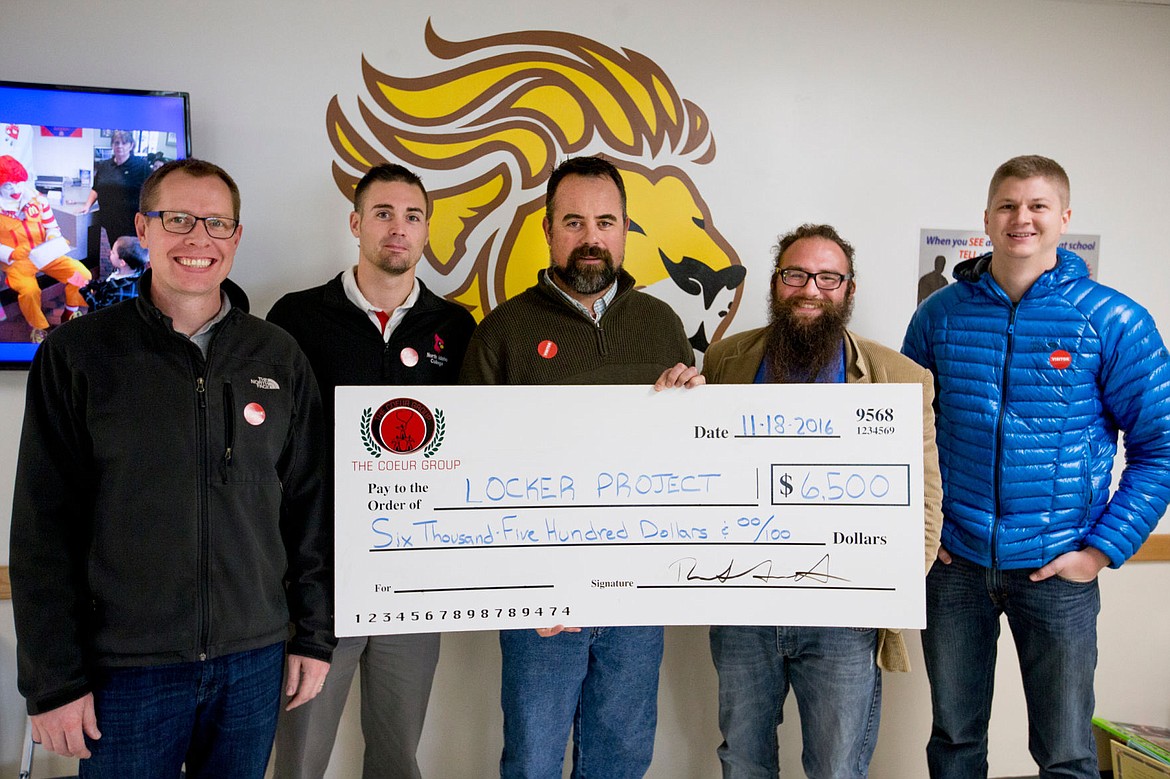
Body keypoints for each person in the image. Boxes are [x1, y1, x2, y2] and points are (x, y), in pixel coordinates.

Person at [9, 158, 334, 778]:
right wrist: (51, 681)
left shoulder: (277, 355)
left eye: (216, 224)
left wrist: (314, 637)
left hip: (254, 660)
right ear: (143, 228)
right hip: (127, 671)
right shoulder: (78, 355)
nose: (198, 239)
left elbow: (310, 506)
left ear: (236, 238)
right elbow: (41, 528)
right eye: (178, 219)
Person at [902, 155, 1170, 778]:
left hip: (1058, 571)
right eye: (1007, 205)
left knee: (1067, 751)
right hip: (956, 567)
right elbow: (903, 431)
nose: (1021, 218)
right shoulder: (939, 316)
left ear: (1064, 219)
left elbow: (1159, 449)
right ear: (988, 220)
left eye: (1038, 206)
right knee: (954, 740)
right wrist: (925, 528)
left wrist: (1099, 551)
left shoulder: (1114, 320)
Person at [657, 223, 943, 778]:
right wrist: (669, 412)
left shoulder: (899, 378)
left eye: (828, 277)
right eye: (796, 274)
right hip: (743, 609)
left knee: (836, 768)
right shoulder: (725, 362)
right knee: (743, 760)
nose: (810, 288)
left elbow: (926, 500)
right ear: (776, 282)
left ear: (849, 290)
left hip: (844, 618)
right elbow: (693, 470)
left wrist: (891, 589)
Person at [460, 155, 693, 778]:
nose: (591, 237)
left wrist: (693, 408)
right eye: (574, 221)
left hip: (636, 594)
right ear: (548, 230)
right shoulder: (503, 331)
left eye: (606, 221)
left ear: (624, 230)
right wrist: (521, 583)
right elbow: (468, 473)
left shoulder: (662, 324)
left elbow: (685, 459)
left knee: (620, 758)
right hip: (541, 602)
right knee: (532, 761)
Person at [267, 163, 475, 779]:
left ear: (427, 231)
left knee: (396, 756)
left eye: (412, 217)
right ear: (356, 223)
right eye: (383, 214)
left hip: (410, 581)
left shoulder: (454, 328)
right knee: (300, 758)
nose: (398, 229)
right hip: (316, 584)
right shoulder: (297, 318)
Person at [0, 154, 92, 342]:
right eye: (9, 185)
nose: (16, 189)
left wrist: (53, 240)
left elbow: (52, 227)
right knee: (30, 290)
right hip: (17, 261)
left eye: (18, 183)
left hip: (45, 254)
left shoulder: (38, 199)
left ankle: (70, 312)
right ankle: (39, 326)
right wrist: (9, 253)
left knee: (81, 274)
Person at [83, 129, 152, 245]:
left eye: (124, 143)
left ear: (131, 146)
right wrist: (87, 205)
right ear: (112, 145)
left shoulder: (141, 166)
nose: (120, 146)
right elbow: (96, 188)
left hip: (131, 221)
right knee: (115, 249)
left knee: (132, 254)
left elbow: (152, 190)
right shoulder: (104, 166)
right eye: (116, 143)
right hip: (110, 219)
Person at [82, 234, 149, 310]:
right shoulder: (131, 271)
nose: (110, 252)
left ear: (122, 263)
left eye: (113, 252)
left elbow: (98, 308)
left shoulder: (116, 292)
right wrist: (92, 284)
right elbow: (106, 285)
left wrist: (85, 291)